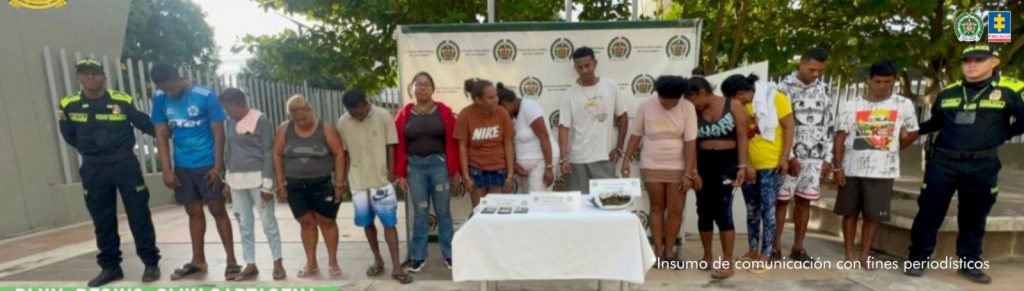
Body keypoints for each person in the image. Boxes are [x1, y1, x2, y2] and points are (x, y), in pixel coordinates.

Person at [905, 44, 1024, 284]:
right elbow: (936, 122)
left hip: (983, 164)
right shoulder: (949, 92)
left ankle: (970, 263)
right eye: (967, 60)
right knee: (929, 211)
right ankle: (917, 259)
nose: (971, 65)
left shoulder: (1010, 90)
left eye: (979, 60)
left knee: (974, 216)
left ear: (994, 62)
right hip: (944, 162)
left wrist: (1004, 134)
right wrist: (911, 132)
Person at [58, 59, 161, 286]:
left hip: (124, 164)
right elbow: (69, 135)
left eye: (95, 73)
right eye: (85, 74)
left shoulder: (121, 101)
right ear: (78, 78)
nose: (91, 77)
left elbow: (145, 123)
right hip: (94, 167)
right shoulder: (68, 104)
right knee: (102, 219)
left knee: (139, 215)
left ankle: (151, 263)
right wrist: (93, 152)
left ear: (103, 76)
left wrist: (165, 134)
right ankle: (110, 267)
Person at [150, 64, 239, 280]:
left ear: (179, 77)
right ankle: (198, 260)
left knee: (218, 210)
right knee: (193, 212)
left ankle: (231, 261)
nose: (169, 93)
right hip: (183, 166)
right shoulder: (160, 98)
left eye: (171, 87)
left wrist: (218, 168)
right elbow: (160, 135)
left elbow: (219, 134)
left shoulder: (205, 96)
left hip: (207, 165)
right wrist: (167, 170)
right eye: (164, 89)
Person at [832, 61, 919, 269]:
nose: (882, 86)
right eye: (878, 81)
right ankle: (849, 253)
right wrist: (837, 167)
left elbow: (913, 132)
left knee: (873, 215)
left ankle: (865, 255)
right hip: (852, 168)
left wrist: (895, 147)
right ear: (869, 80)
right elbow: (840, 137)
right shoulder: (851, 105)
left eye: (887, 82)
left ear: (894, 81)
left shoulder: (903, 104)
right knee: (849, 212)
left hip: (883, 170)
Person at [336, 90, 413, 284]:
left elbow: (391, 146)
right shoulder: (343, 123)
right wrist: (343, 179)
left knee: (389, 223)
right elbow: (343, 153)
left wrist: (390, 172)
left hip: (381, 181)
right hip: (358, 182)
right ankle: (377, 260)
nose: (358, 117)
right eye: (353, 114)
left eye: (360, 113)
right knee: (367, 223)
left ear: (366, 103)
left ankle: (396, 266)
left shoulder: (383, 115)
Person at [621, 75, 698, 267]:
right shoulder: (646, 105)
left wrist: (688, 173)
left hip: (678, 165)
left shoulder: (687, 108)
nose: (668, 105)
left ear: (680, 97)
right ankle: (656, 251)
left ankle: (669, 251)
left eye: (672, 103)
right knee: (656, 208)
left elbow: (690, 143)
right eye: (664, 101)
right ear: (658, 94)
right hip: (651, 163)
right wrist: (626, 159)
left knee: (675, 210)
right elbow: (636, 134)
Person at [683, 76, 753, 279]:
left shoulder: (734, 105)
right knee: (703, 210)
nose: (690, 104)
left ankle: (727, 261)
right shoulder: (693, 112)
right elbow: (692, 142)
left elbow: (742, 135)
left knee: (723, 211)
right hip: (704, 163)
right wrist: (694, 171)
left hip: (728, 164)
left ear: (702, 92)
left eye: (692, 99)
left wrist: (742, 165)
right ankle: (707, 255)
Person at [725, 74, 795, 270]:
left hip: (772, 164)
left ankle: (767, 253)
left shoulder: (775, 98)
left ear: (740, 93)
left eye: (734, 98)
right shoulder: (741, 106)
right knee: (752, 210)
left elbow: (790, 127)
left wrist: (785, 158)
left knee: (768, 210)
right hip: (749, 167)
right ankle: (753, 249)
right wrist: (745, 163)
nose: (733, 102)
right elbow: (740, 136)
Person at [272, 95, 347, 278]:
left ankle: (333, 261)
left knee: (327, 222)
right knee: (306, 223)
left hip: (321, 183)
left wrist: (339, 183)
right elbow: (276, 154)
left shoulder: (326, 128)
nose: (301, 122)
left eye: (304, 118)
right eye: (296, 119)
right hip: (295, 185)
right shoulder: (285, 129)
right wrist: (280, 183)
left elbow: (339, 154)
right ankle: (311, 263)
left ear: (311, 111)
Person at [774, 47, 835, 262]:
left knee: (804, 201)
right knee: (781, 201)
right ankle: (775, 247)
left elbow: (829, 125)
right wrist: (788, 156)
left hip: (815, 158)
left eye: (820, 70)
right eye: (812, 69)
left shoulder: (825, 90)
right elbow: (779, 126)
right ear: (801, 63)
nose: (816, 74)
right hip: (790, 157)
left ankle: (798, 247)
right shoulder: (782, 89)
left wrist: (828, 158)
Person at [395, 72, 460, 273]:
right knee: (420, 213)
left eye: (426, 84)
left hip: (438, 166)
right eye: (418, 84)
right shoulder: (404, 114)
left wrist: (455, 170)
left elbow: (454, 143)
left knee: (443, 212)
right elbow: (399, 146)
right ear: (412, 88)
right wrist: (400, 174)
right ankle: (418, 257)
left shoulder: (445, 113)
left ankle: (449, 255)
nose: (422, 88)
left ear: (433, 88)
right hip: (414, 168)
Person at [218, 88, 285, 280]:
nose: (227, 112)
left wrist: (267, 184)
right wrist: (227, 180)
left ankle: (277, 262)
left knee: (268, 223)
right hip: (237, 181)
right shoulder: (230, 122)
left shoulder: (261, 120)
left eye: (229, 108)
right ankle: (250, 263)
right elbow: (228, 151)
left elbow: (267, 152)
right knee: (244, 224)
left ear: (241, 104)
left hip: (258, 179)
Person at [558, 47, 628, 194]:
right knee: (579, 208)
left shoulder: (611, 87)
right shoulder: (569, 94)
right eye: (579, 67)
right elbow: (564, 128)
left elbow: (623, 117)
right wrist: (564, 158)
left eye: (587, 65)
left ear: (595, 63)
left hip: (604, 156)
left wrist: (619, 148)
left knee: (607, 202)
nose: (584, 70)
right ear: (575, 68)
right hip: (577, 159)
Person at [455, 78, 516, 206]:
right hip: (476, 169)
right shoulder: (466, 115)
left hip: (498, 168)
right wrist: (466, 177)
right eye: (490, 97)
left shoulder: (502, 113)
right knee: (479, 211)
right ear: (478, 100)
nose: (496, 100)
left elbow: (508, 144)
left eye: (496, 96)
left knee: (494, 212)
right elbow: (462, 148)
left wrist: (510, 175)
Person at [498, 82, 555, 192]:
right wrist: (514, 163)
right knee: (528, 205)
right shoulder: (512, 116)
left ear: (505, 104)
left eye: (501, 109)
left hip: (541, 163)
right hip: (525, 169)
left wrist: (548, 168)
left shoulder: (529, 106)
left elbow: (544, 137)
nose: (501, 114)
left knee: (537, 204)